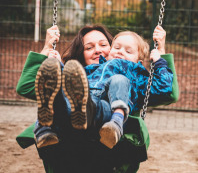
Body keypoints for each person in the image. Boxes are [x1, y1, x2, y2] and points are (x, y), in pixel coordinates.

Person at [16, 24, 177, 173]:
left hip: (107, 140)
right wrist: (51, 57)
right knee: (59, 88)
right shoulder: (86, 72)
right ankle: (48, 123)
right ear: (81, 52)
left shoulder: (134, 75)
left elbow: (167, 92)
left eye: (103, 44)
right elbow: (26, 86)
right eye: (89, 47)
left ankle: (88, 109)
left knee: (117, 82)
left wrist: (160, 54)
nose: (98, 50)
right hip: (68, 145)